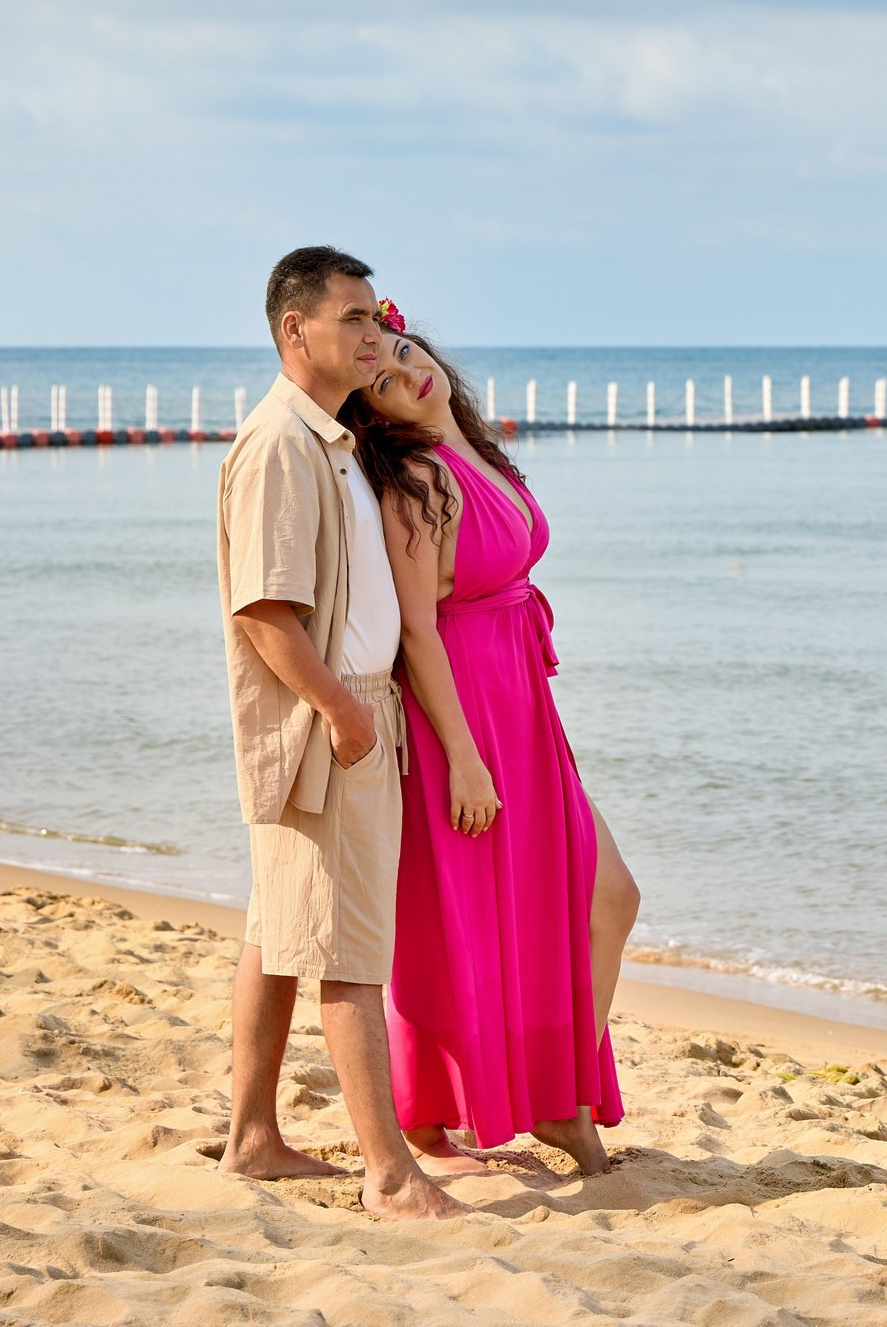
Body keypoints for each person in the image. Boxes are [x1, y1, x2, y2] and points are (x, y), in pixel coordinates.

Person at [344, 321, 640, 1176]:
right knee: (481, 919)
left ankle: (555, 1095)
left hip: (523, 700)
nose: (410, 376)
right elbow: (418, 632)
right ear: (376, 417)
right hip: (465, 712)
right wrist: (464, 757)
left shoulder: (474, 449)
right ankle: (545, 1103)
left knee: (598, 898)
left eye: (408, 355)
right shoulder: (414, 483)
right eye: (386, 383)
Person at [214, 246, 463, 1220]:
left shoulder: (330, 438)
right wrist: (347, 712)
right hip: (331, 721)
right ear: (295, 330)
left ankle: (252, 1138)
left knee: (277, 936)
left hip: (348, 713)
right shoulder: (280, 442)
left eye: (378, 317)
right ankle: (392, 1174)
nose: (375, 334)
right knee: (350, 954)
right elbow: (264, 612)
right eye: (354, 319)